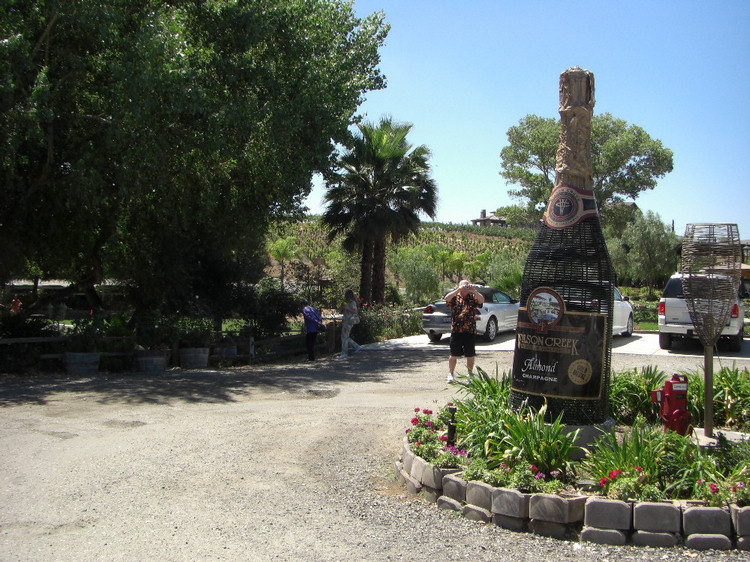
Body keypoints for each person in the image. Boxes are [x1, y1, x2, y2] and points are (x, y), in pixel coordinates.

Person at [444, 279, 484, 383]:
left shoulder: (472, 297)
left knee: (470, 354)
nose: (465, 288)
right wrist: (458, 290)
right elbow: (446, 298)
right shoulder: (455, 297)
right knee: (453, 354)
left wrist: (474, 291)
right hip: (457, 330)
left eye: (467, 286)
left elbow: (481, 301)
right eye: (463, 286)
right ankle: (450, 374)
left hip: (469, 330)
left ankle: (470, 375)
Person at [340, 289, 361, 358]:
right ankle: (356, 346)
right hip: (346, 321)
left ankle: (344, 352)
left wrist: (346, 308)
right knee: (345, 337)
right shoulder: (348, 303)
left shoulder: (352, 303)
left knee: (344, 337)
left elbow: (355, 311)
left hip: (349, 321)